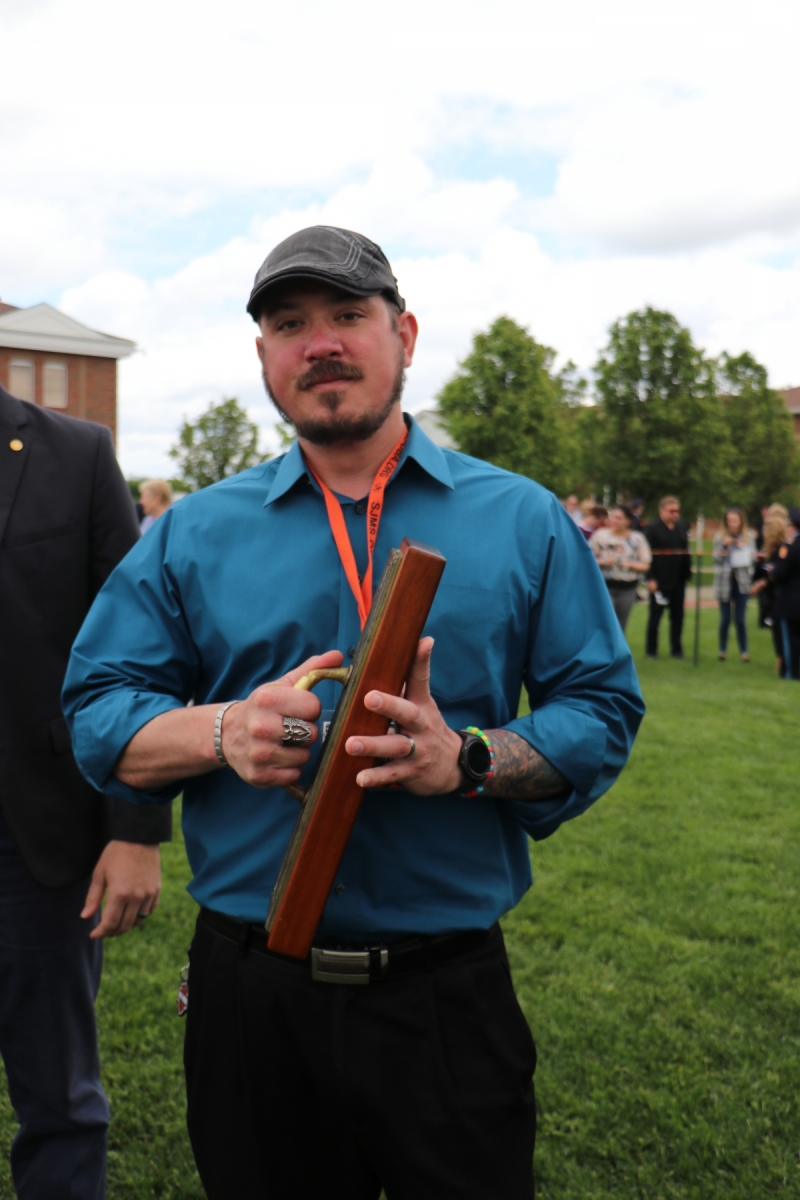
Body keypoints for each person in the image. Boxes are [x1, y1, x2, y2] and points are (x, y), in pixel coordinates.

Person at [63, 225, 644, 1200]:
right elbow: (94, 712)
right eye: (290, 324)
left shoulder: (522, 520)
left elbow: (601, 709)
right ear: (263, 355)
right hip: (252, 999)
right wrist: (222, 731)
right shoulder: (193, 533)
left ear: (403, 335)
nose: (320, 343)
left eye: (346, 315)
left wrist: (467, 759)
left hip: (444, 999)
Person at [0, 384, 171, 1199]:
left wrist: (135, 830)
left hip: (32, 838)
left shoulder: (77, 452)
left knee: (59, 1096)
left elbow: (139, 653)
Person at [589, 505, 651, 631]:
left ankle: (619, 644)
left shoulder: (637, 539)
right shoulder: (600, 536)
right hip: (605, 586)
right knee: (606, 622)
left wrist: (630, 565)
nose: (615, 521)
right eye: (613, 517)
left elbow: (645, 564)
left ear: (628, 521)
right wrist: (602, 562)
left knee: (621, 624)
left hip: (628, 588)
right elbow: (587, 559)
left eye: (619, 518)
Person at [644, 495, 692, 658]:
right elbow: (646, 555)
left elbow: (685, 551)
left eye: (677, 511)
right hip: (659, 580)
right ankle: (651, 650)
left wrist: (687, 573)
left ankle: (676, 649)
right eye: (671, 511)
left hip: (678, 580)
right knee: (655, 617)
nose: (675, 514)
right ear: (662, 511)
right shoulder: (652, 529)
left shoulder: (682, 527)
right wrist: (650, 578)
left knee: (678, 617)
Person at [712, 507, 755, 662]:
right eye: (729, 521)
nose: (732, 524)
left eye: (735, 521)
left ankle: (744, 651)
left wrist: (744, 548)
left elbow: (753, 558)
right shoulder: (719, 537)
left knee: (740, 619)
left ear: (741, 521)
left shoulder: (748, 537)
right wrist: (723, 546)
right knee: (725, 619)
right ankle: (722, 650)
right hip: (724, 582)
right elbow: (716, 559)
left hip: (742, 582)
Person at [751, 506, 788, 669]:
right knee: (776, 627)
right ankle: (782, 656)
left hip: (782, 596)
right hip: (772, 596)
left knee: (782, 628)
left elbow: (778, 573)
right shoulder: (769, 551)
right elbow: (761, 571)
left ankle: (784, 658)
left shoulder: (783, 551)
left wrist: (762, 583)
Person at [766, 507, 800, 680]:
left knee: (789, 639)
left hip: (789, 600)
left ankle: (790, 672)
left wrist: (771, 573)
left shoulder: (789, 547)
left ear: (792, 526)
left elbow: (779, 572)